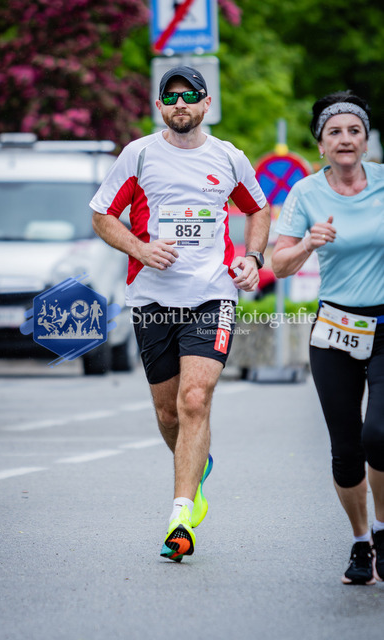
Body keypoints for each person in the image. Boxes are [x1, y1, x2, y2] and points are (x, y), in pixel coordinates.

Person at [90, 65, 270, 561]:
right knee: (169, 412)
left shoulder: (228, 157)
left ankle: (180, 517)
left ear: (207, 103)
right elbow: (102, 215)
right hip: (151, 300)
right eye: (170, 97)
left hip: (212, 295)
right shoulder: (140, 155)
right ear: (159, 107)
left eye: (190, 95)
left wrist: (253, 258)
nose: (180, 104)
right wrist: (141, 248)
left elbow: (258, 208)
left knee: (195, 399)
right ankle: (198, 464)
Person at [272, 91, 384, 585]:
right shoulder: (305, 193)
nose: (345, 139)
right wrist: (307, 243)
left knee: (379, 434)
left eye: (354, 130)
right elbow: (278, 265)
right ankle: (361, 541)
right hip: (336, 329)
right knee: (346, 448)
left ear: (365, 141)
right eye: (334, 132)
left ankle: (383, 528)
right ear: (321, 145)